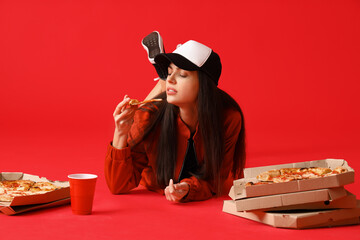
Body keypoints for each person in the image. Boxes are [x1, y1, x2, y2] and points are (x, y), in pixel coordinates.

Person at [105, 36, 246, 202]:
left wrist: (188, 188)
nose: (170, 79)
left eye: (182, 75)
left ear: (204, 85)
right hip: (154, 168)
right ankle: (162, 75)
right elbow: (117, 185)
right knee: (147, 111)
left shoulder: (228, 118)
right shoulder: (147, 117)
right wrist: (120, 133)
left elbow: (217, 178)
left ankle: (163, 73)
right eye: (170, 72)